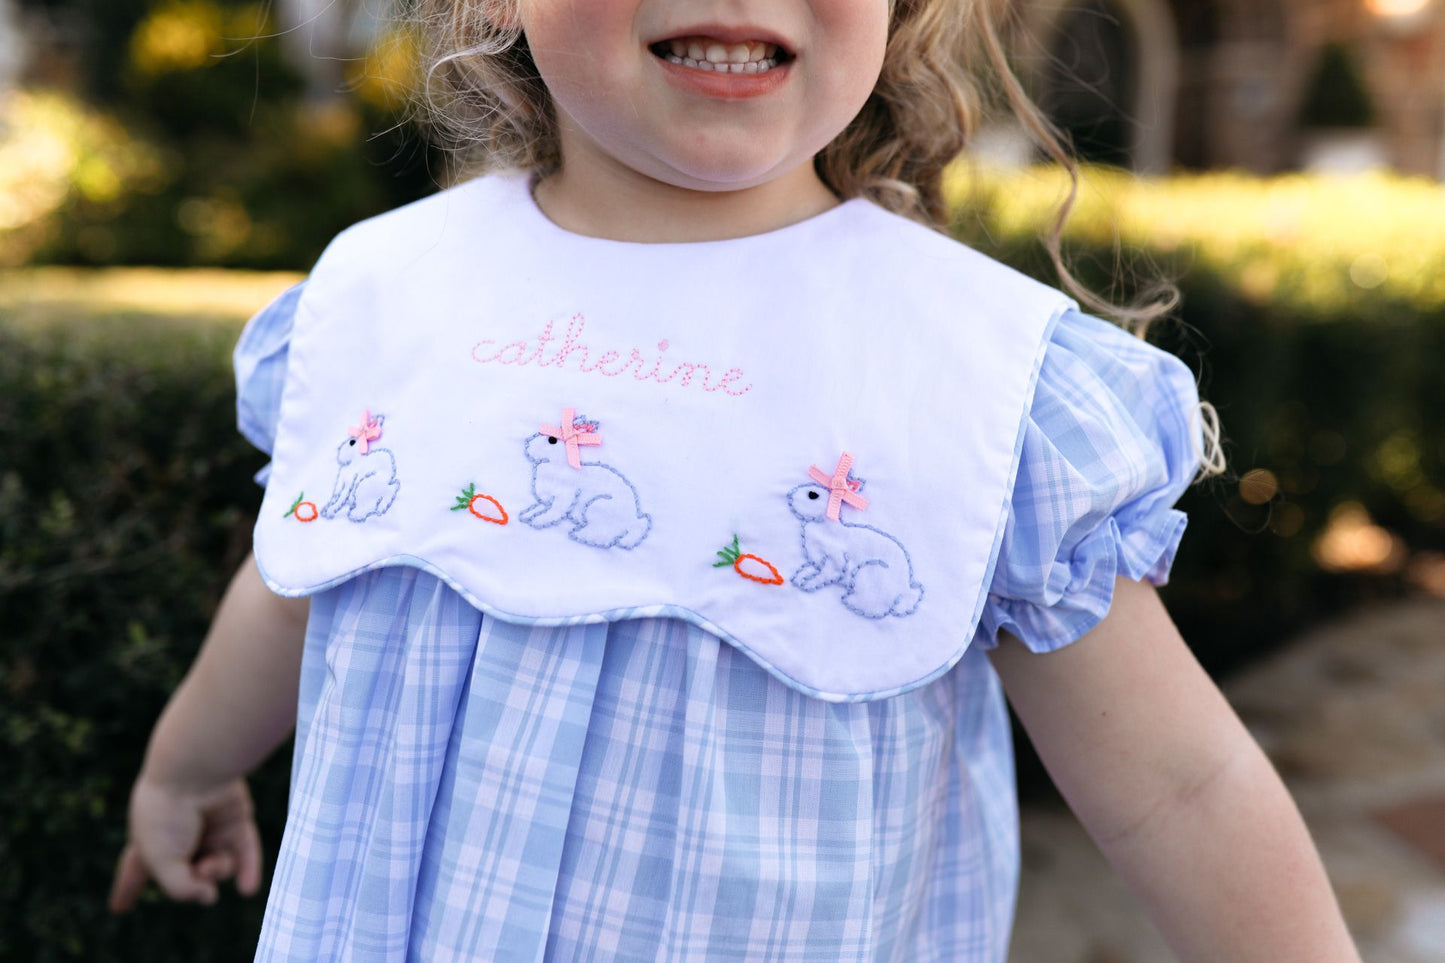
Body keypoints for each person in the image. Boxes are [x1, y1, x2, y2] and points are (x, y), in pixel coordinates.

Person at [109, 0, 1363, 960]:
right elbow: (301, 576)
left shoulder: (968, 377)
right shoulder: (384, 294)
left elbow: (1175, 781)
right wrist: (184, 766)